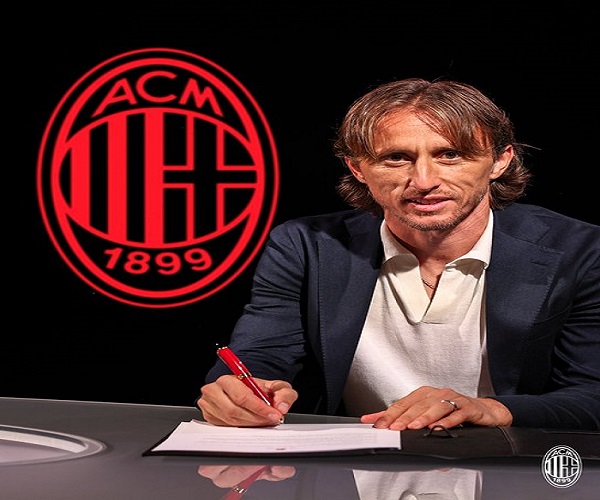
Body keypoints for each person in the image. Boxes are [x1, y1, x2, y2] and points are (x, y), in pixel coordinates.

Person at [197, 78, 600, 431]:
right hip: (353, 465)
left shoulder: (579, 250)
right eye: (396, 158)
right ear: (358, 168)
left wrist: (489, 409)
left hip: (514, 470)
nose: (423, 181)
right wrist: (239, 395)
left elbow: (592, 394)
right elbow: (260, 359)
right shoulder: (305, 245)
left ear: (499, 161)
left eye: (450, 155)